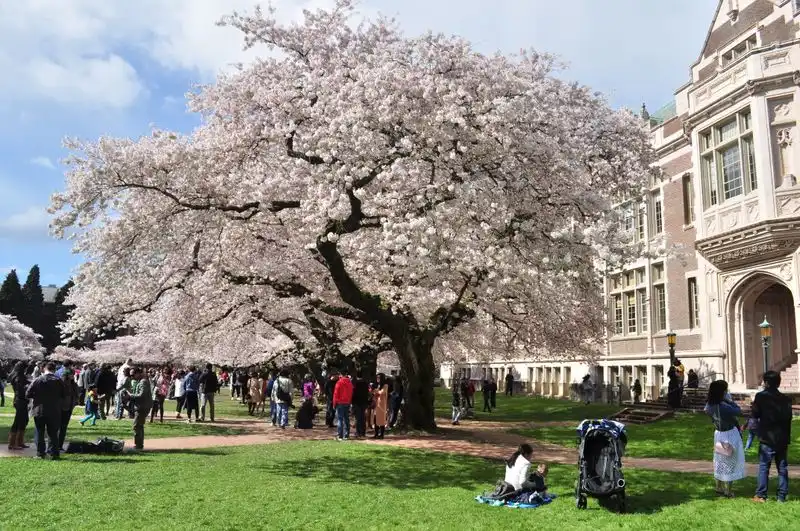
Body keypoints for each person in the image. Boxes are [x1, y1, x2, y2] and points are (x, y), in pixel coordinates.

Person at [752, 370, 792, 503]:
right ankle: (782, 496)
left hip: (767, 436)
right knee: (782, 467)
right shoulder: (786, 399)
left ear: (766, 383)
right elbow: (788, 417)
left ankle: (761, 495)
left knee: (764, 466)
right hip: (782, 437)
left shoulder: (760, 396)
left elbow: (755, 414)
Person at [704, 379, 745, 498]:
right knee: (730, 460)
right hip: (729, 434)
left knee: (719, 459)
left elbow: (707, 410)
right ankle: (728, 490)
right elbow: (738, 411)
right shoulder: (724, 407)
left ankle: (719, 486)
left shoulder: (709, 406)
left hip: (719, 433)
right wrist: (730, 401)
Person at [26, 361, 65, 460]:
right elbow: (64, 394)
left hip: (39, 409)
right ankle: (54, 453)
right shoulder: (59, 380)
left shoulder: (38, 379)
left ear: (44, 369)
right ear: (54, 369)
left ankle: (40, 453)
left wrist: (37, 396)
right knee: (53, 433)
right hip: (54, 410)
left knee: (40, 432)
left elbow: (28, 394)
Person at [129, 366, 153, 451]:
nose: (131, 377)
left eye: (132, 375)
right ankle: (139, 445)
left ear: (138, 373)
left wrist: (131, 396)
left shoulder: (143, 382)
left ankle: (138, 445)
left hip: (142, 407)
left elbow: (141, 395)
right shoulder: (141, 381)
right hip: (142, 406)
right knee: (139, 426)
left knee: (136, 426)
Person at [7, 362, 30, 450]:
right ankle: (12, 443)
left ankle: (20, 441)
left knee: (24, 420)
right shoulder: (18, 377)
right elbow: (21, 390)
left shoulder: (20, 376)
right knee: (18, 421)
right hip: (20, 400)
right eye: (25, 368)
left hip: (21, 401)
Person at [58, 369, 80, 450]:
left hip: (69, 408)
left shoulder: (73, 384)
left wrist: (74, 402)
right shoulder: (61, 384)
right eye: (71, 374)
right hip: (61, 408)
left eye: (73, 374)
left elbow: (76, 395)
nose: (72, 376)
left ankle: (60, 445)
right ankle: (55, 444)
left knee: (64, 428)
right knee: (58, 427)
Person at [333, 369, 354, 441]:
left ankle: (340, 435)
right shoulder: (350, 383)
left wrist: (334, 403)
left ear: (341, 374)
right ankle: (346, 434)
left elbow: (336, 394)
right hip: (347, 402)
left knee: (340, 419)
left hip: (340, 403)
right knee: (346, 419)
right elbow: (351, 393)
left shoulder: (339, 382)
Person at [351, 370, 370, 438]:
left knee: (358, 418)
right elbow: (367, 393)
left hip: (356, 402)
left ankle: (358, 432)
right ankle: (363, 432)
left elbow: (353, 393)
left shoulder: (355, 383)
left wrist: (352, 401)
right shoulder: (365, 384)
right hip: (364, 402)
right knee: (363, 418)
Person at [373, 373, 389, 439]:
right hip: (377, 405)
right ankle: (376, 434)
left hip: (382, 405)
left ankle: (382, 434)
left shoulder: (385, 385)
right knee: (375, 419)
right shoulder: (378, 385)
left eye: (379, 378)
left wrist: (376, 391)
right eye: (377, 377)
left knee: (382, 420)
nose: (377, 379)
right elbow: (375, 393)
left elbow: (382, 392)